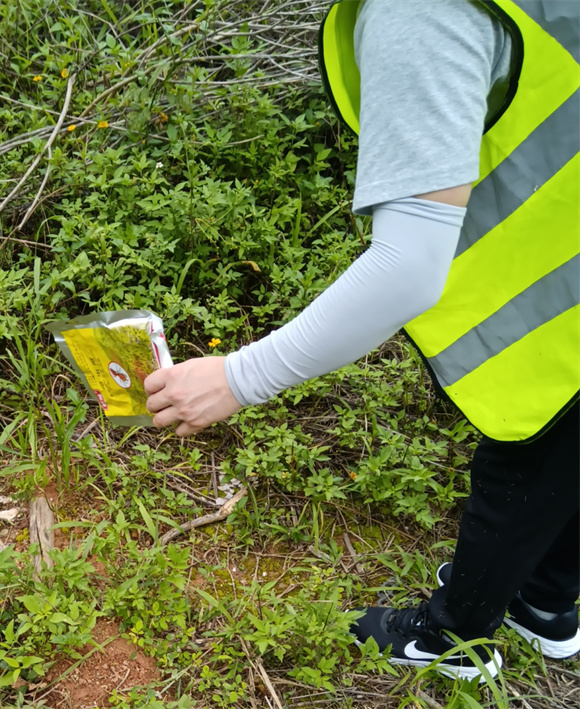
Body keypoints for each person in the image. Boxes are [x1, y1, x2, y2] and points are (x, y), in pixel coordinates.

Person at [144, 0, 579, 681]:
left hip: (562, 296)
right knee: (568, 444)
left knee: (526, 452)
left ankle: (457, 638)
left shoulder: (421, 12)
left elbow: (407, 267)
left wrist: (237, 378)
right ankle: (547, 602)